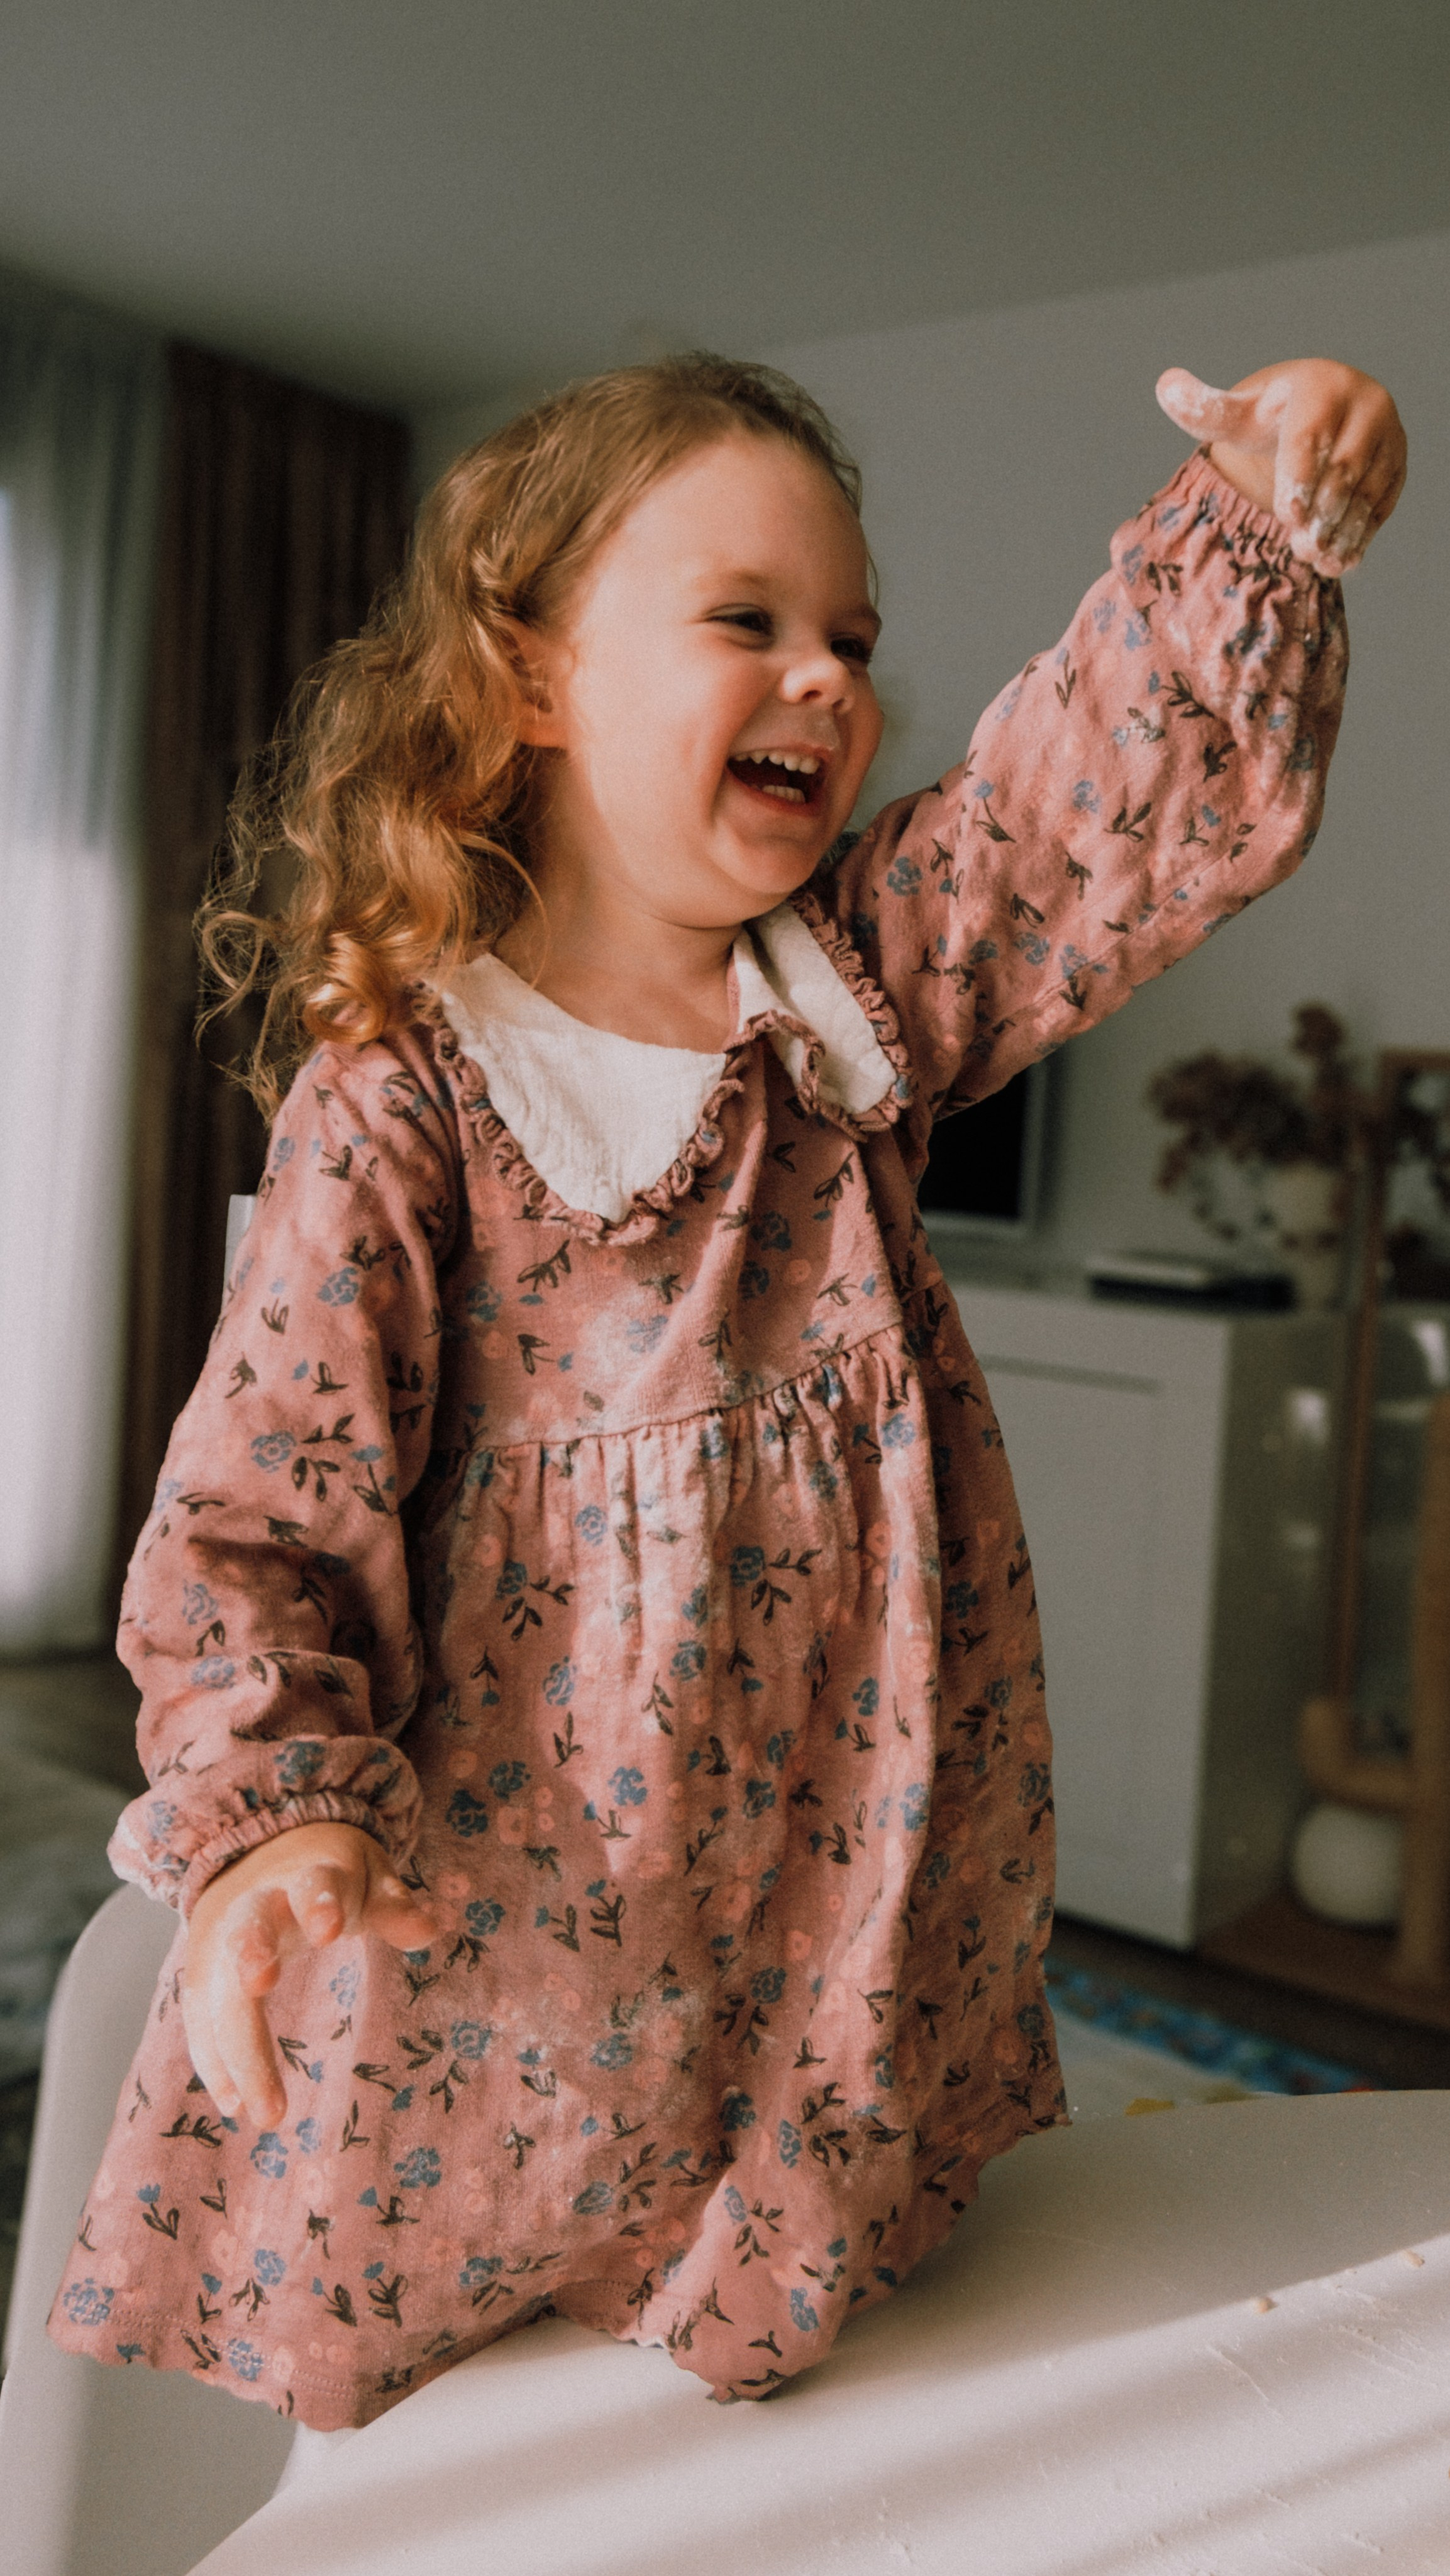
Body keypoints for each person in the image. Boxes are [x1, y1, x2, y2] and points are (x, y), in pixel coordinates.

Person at [49, 352, 1402, 2431]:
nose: (826, 678)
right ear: (529, 679)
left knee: (802, 2409)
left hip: (826, 1923)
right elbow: (261, 1508)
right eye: (744, 618)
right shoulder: (409, 1095)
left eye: (850, 637)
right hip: (512, 1962)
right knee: (484, 2453)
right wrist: (269, 1821)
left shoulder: (856, 1008)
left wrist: (1248, 520)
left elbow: (1082, 818)